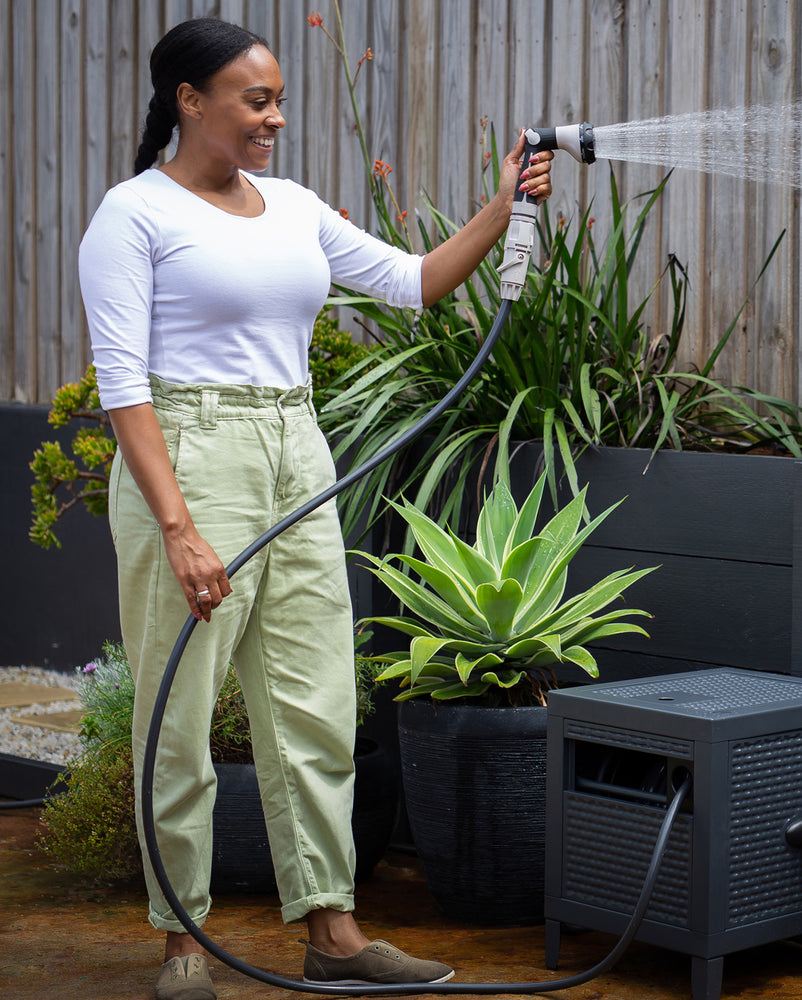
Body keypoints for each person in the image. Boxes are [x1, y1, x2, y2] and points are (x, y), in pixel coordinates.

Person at [77, 16, 553, 1000]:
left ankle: (333, 932)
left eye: (279, 98)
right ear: (191, 101)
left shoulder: (292, 207)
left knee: (315, 702)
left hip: (299, 450)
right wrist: (178, 525)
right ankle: (183, 947)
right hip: (188, 452)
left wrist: (502, 209)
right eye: (257, 100)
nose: (276, 118)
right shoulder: (133, 217)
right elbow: (122, 384)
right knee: (181, 717)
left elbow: (414, 283)